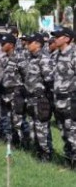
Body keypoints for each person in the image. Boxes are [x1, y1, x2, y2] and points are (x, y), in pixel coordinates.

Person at [24, 33, 53, 162]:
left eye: (30, 42)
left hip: (41, 100)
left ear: (37, 44)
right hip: (31, 99)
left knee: (42, 129)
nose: (27, 44)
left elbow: (50, 80)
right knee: (33, 129)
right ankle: (38, 153)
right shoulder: (31, 58)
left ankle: (46, 155)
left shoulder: (44, 59)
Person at [51, 27, 76, 167]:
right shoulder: (56, 55)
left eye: (58, 36)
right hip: (58, 100)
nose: (55, 38)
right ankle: (69, 161)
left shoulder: (74, 54)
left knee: (73, 133)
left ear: (67, 38)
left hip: (71, 100)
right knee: (63, 133)